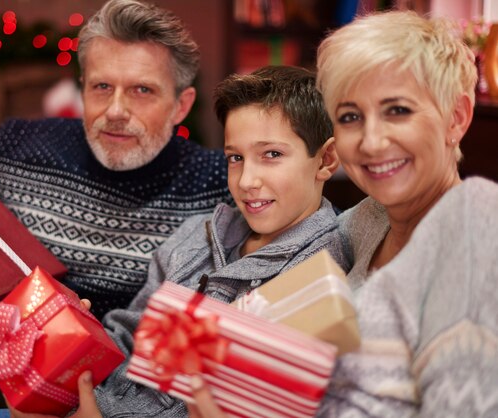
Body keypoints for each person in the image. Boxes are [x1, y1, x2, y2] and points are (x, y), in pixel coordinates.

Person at [0, 64, 350, 418]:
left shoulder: (318, 275)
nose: (248, 180)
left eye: (271, 155)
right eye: (235, 158)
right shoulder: (197, 235)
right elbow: (127, 332)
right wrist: (76, 346)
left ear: (325, 159)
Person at [0, 1, 233, 416]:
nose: (115, 111)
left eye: (142, 90)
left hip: (99, 391)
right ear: (82, 88)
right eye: (102, 87)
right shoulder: (14, 148)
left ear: (181, 105)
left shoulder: (217, 186)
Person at [187, 10, 498, 418]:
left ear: (456, 117)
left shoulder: (478, 226)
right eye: (351, 116)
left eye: (397, 111)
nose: (370, 142)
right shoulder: (367, 220)